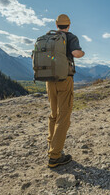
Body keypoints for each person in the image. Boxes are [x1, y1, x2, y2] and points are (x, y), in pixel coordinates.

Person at [46, 14, 85, 168]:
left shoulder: (49, 38)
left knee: (53, 114)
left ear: (56, 25)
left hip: (49, 80)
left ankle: (51, 147)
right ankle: (55, 156)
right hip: (64, 80)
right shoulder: (70, 37)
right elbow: (76, 53)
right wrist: (82, 53)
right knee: (64, 116)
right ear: (68, 25)